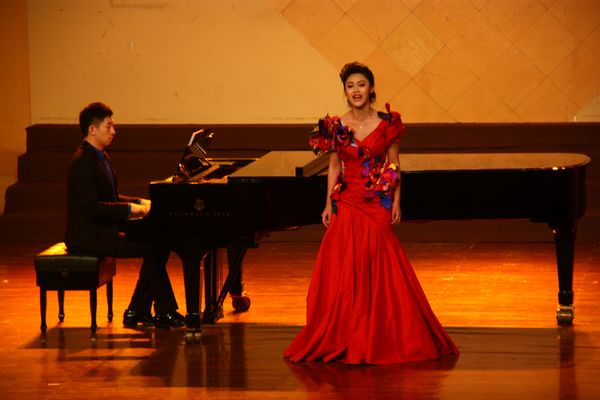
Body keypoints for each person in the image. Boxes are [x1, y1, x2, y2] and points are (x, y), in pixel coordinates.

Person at [284, 62, 459, 364]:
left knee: (379, 262)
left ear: (371, 88)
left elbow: (394, 165)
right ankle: (348, 334)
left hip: (378, 203)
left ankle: (382, 334)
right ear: (345, 91)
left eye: (361, 85)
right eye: (350, 86)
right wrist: (328, 204)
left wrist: (396, 201)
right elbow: (334, 167)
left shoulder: (388, 123)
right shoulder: (336, 127)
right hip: (347, 201)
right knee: (343, 267)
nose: (356, 91)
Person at [65, 102, 185, 328]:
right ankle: (162, 311)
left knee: (159, 243)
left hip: (103, 230)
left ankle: (138, 310)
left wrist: (139, 202)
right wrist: (131, 210)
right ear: (92, 130)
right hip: (90, 237)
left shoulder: (100, 157)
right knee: (155, 246)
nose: (113, 131)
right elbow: (92, 208)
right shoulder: (83, 162)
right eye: (108, 126)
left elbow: (111, 196)